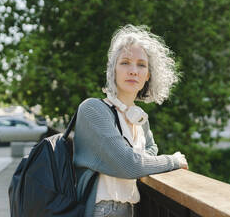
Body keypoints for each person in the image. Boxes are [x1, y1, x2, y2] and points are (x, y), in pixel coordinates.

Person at [73, 24, 188, 217]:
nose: (133, 70)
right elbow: (130, 165)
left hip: (133, 209)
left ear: (148, 76)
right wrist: (173, 160)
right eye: (125, 62)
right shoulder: (93, 109)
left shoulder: (139, 117)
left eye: (141, 65)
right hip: (103, 210)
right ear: (113, 70)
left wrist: (137, 159)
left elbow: (150, 150)